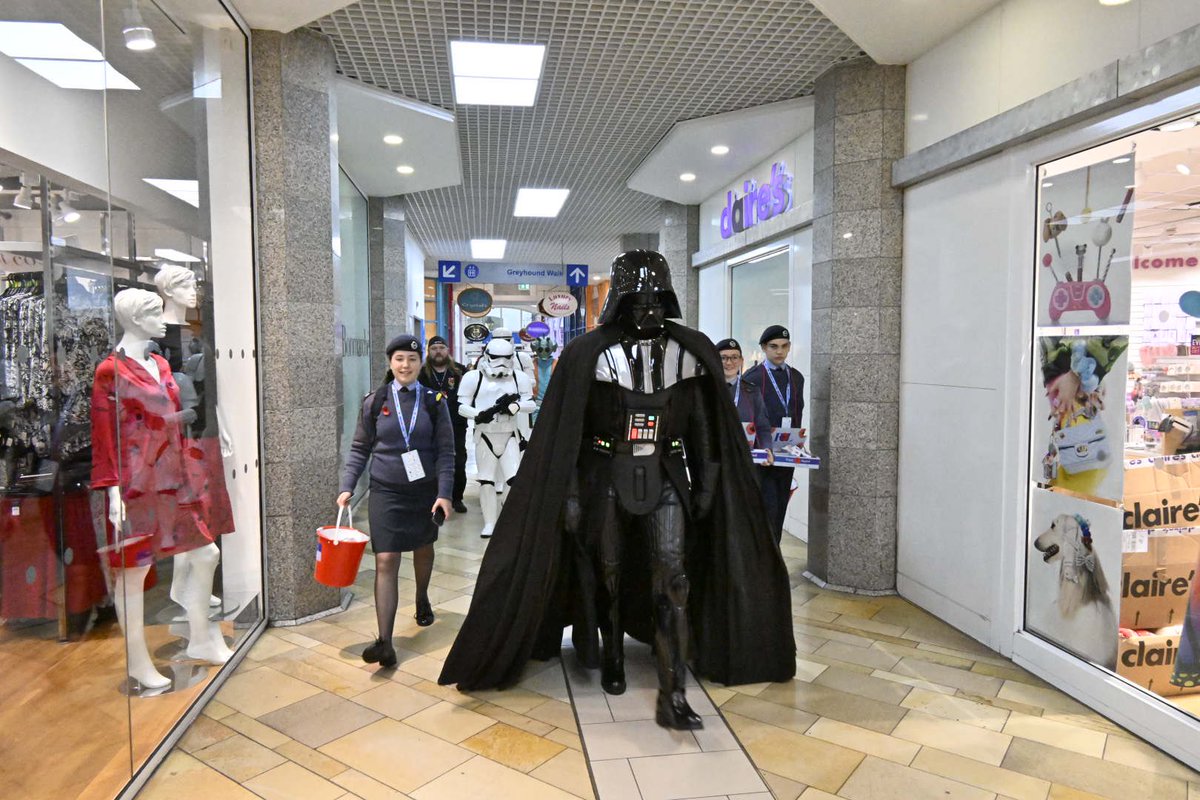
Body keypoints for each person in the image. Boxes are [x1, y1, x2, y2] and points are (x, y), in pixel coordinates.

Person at [439, 250, 795, 730]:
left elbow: (706, 429)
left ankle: (673, 691)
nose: (648, 309)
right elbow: (567, 432)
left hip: (666, 475)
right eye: (638, 300)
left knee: (673, 578)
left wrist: (708, 486)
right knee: (607, 571)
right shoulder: (588, 353)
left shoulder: (690, 352)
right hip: (605, 474)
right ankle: (611, 656)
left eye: (656, 300)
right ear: (620, 302)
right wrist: (569, 493)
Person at [338, 334, 454, 669]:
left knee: (422, 547)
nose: (406, 365)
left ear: (420, 363)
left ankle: (421, 596)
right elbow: (359, 448)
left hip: (424, 490)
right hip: (386, 491)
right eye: (399, 359)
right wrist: (347, 486)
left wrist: (444, 493)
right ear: (390, 362)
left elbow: (446, 451)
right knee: (386, 559)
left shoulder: (434, 401)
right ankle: (385, 642)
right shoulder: (374, 402)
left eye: (412, 359)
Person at [456, 338, 536, 538]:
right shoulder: (473, 377)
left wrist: (517, 406)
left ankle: (507, 517)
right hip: (485, 434)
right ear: (487, 356)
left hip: (510, 434)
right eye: (496, 358)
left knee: (514, 480)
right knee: (486, 481)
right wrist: (478, 414)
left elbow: (530, 403)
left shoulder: (519, 378)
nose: (501, 363)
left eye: (506, 358)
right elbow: (461, 406)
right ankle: (490, 523)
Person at [742, 325, 805, 544]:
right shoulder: (752, 378)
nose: (779, 351)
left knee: (779, 509)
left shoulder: (796, 377)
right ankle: (762, 557)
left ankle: (774, 554)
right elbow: (749, 417)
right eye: (774, 346)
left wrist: (798, 443)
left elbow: (797, 412)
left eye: (784, 346)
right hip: (763, 456)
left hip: (787, 455)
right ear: (763, 348)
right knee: (765, 509)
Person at [419, 335, 469, 513]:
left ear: (448, 350)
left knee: (458, 461)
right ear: (428, 351)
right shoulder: (421, 374)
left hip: (456, 425)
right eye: (434, 348)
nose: (438, 351)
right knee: (431, 461)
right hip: (429, 425)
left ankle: (457, 498)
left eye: (441, 348)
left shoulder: (460, 372)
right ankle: (435, 497)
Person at [715, 338, 773, 462]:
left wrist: (766, 449)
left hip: (744, 461)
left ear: (741, 361)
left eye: (734, 357)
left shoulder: (752, 392)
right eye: (723, 358)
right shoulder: (704, 390)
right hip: (714, 461)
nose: (729, 362)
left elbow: (762, 426)